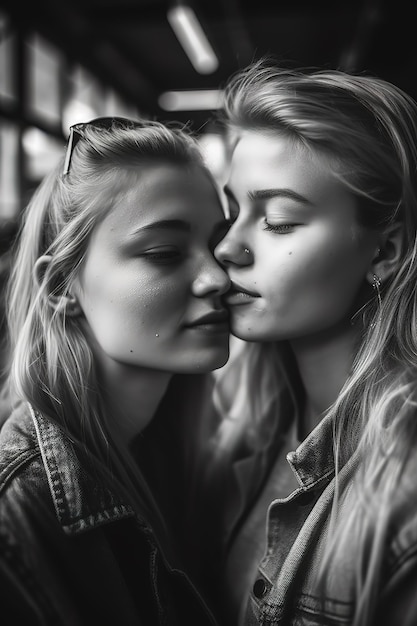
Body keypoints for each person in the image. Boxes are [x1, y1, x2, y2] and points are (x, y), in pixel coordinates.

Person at [184, 58, 417, 626]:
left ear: (384, 252)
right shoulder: (241, 421)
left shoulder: (404, 497)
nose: (228, 249)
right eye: (233, 212)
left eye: (280, 220)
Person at [0, 115, 231, 625]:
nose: (216, 278)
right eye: (164, 253)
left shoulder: (184, 449)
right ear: (62, 287)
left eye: (218, 245)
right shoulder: (19, 513)